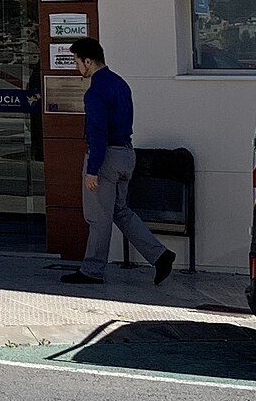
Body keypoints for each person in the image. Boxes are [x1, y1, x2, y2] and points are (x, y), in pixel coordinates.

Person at [63, 36, 174, 286]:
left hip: (105, 159)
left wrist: (93, 170)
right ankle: (160, 255)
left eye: (77, 62)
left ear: (88, 61)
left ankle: (92, 270)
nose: (76, 67)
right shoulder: (120, 84)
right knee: (121, 212)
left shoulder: (95, 92)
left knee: (98, 217)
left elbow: (98, 133)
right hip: (126, 153)